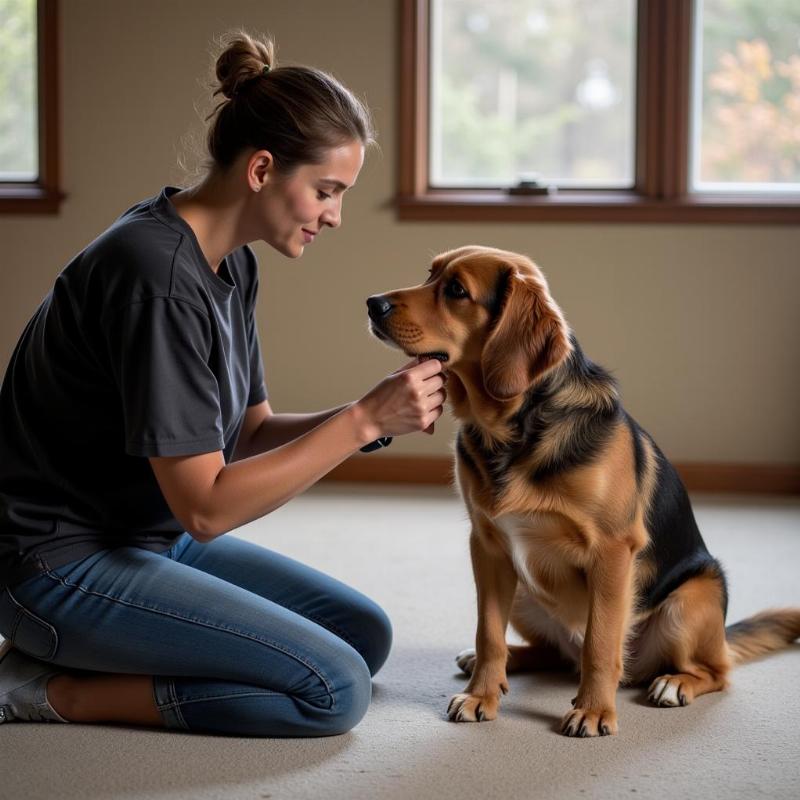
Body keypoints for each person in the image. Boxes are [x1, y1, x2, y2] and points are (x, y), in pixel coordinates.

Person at [0, 31, 446, 737]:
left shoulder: (230, 262)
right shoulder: (157, 279)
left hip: (144, 534)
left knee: (362, 634)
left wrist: (376, 417)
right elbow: (206, 508)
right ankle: (44, 689)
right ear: (263, 170)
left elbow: (244, 433)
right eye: (326, 191)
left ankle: (115, 654)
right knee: (333, 690)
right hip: (57, 565)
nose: (334, 214)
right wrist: (359, 422)